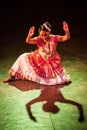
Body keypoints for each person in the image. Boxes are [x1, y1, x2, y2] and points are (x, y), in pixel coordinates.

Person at [3, 21, 71, 85]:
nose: (43, 37)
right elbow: (28, 41)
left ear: (49, 32)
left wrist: (66, 31)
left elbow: (66, 37)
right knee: (23, 56)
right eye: (41, 35)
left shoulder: (54, 38)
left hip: (52, 62)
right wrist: (30, 35)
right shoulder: (38, 39)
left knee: (54, 80)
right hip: (39, 59)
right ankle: (12, 76)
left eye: (45, 35)